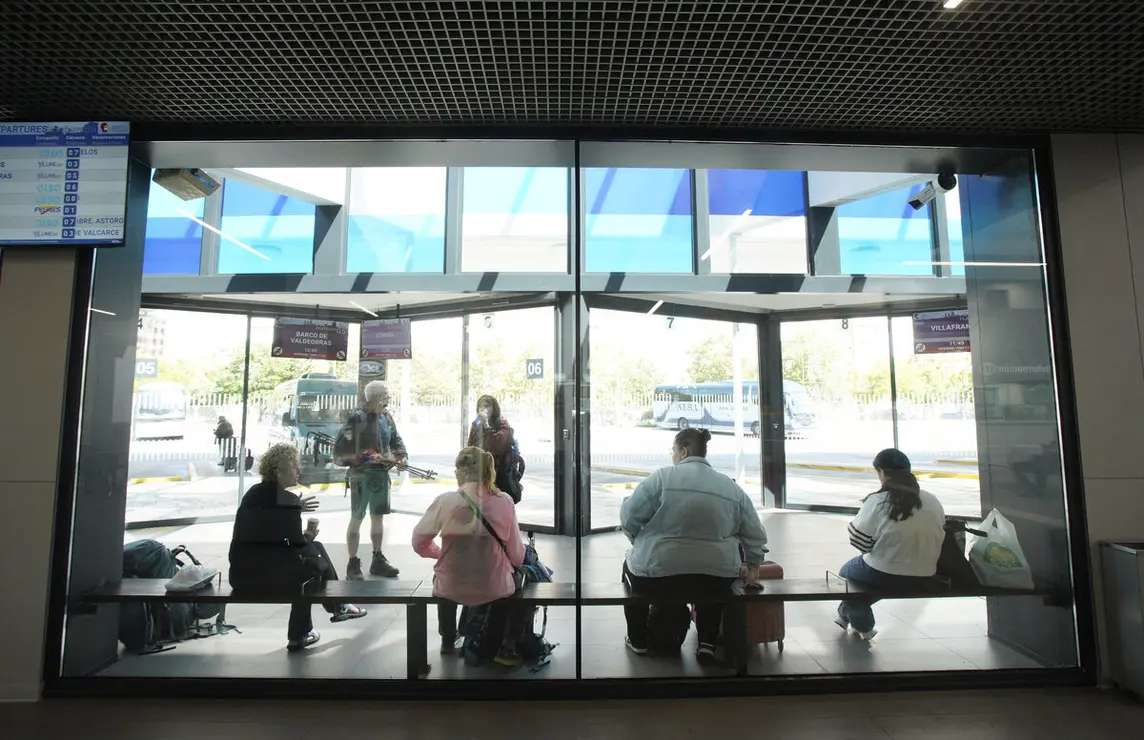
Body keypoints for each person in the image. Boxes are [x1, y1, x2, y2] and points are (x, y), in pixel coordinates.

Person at [620, 427, 769, 664]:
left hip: (658, 576)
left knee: (631, 573)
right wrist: (753, 565)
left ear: (684, 451)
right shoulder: (731, 487)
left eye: (673, 450)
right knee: (711, 582)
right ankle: (707, 643)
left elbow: (629, 516)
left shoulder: (662, 478)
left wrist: (638, 541)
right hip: (717, 576)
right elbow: (754, 533)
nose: (672, 455)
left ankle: (638, 640)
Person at [229, 443, 366, 652]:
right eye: (294, 466)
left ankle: (336, 608)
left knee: (313, 554)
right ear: (278, 471)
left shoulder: (253, 494)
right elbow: (296, 544)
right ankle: (305, 630)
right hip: (267, 579)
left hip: (240, 576)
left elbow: (268, 530)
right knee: (309, 568)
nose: (298, 470)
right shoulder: (288, 500)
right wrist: (308, 535)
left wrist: (295, 509)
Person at [412, 446, 527, 667]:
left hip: (451, 586)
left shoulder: (445, 501)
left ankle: (447, 639)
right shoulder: (504, 501)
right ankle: (499, 644)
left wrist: (440, 554)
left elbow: (419, 542)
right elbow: (516, 556)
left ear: (461, 472)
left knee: (442, 577)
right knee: (514, 584)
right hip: (494, 587)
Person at [834, 448, 946, 640]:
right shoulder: (931, 499)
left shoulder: (878, 501)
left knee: (847, 575)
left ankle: (863, 625)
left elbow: (859, 542)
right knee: (869, 582)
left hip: (885, 571)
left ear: (882, 472)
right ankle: (844, 614)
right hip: (926, 572)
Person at [334, 380, 407, 580]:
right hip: (360, 476)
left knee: (378, 517)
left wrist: (401, 457)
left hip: (381, 476)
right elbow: (339, 452)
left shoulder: (386, 417)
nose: (389, 397)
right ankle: (352, 563)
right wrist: (364, 458)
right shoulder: (356, 419)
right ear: (375, 397)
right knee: (356, 518)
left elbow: (396, 440)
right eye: (385, 394)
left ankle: (377, 558)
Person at [467, 394, 524, 503]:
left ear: (494, 408)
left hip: (499, 475)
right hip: (480, 474)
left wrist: (486, 426)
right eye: (480, 406)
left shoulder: (503, 424)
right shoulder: (476, 424)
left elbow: (497, 445)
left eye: (487, 406)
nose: (483, 409)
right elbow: (470, 446)